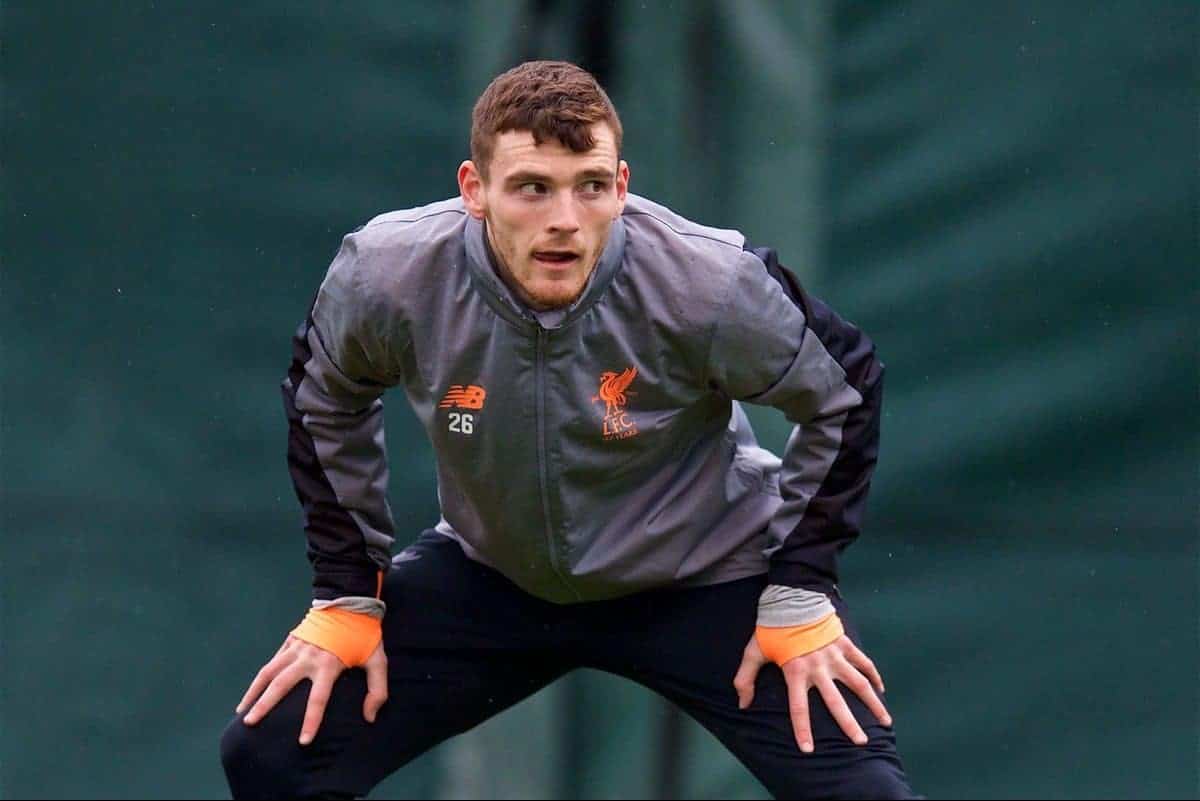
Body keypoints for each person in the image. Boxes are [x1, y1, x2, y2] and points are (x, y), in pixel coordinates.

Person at [220, 59, 920, 800]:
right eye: (531, 187)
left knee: (865, 794)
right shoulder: (389, 274)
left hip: (706, 572)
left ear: (621, 187)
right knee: (271, 753)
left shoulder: (708, 281)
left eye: (590, 184)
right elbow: (324, 393)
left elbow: (844, 390)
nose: (564, 218)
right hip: (497, 576)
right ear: (474, 191)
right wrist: (347, 591)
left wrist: (800, 584)